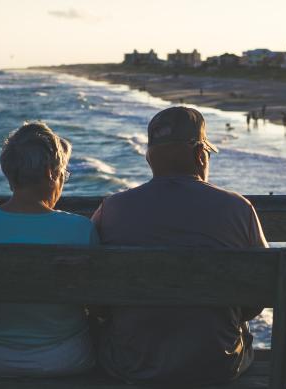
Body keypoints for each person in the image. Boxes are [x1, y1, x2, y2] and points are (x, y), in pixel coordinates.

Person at [92, 107, 267, 386]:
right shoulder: (238, 209)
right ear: (200, 155)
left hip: (131, 364)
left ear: (150, 158)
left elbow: (93, 292)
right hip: (218, 363)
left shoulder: (111, 209)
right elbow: (262, 289)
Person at [0, 122, 96, 377]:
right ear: (51, 172)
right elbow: (98, 302)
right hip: (62, 358)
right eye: (63, 173)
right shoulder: (80, 229)